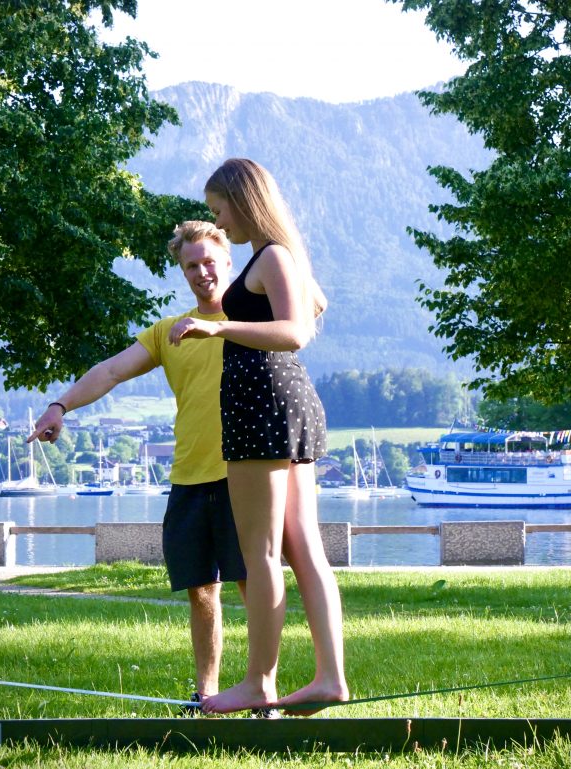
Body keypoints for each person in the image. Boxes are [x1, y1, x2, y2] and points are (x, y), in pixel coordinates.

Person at [28, 221, 250, 712]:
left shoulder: (255, 320)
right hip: (189, 479)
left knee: (251, 585)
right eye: (191, 265)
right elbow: (110, 370)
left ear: (229, 260)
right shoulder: (168, 332)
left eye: (209, 261)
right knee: (201, 590)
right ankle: (207, 695)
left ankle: (262, 690)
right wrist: (59, 406)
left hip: (244, 475)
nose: (201, 272)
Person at [168, 158, 348, 715]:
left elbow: (295, 332)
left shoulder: (271, 256)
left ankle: (259, 683)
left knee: (262, 553)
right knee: (302, 548)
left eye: (220, 209)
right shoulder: (279, 258)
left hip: (262, 409)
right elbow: (312, 305)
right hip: (285, 404)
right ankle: (329, 678)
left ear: (244, 201)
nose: (218, 221)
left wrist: (217, 325)